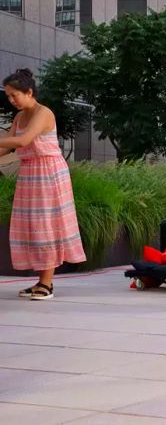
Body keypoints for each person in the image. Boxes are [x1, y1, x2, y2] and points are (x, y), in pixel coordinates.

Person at [0, 69, 86, 300]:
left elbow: (22, 141)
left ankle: (46, 284)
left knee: (46, 224)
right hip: (29, 173)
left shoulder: (43, 113)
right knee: (31, 226)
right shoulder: (19, 117)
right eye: (8, 96)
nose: (11, 100)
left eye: (14, 95)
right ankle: (40, 280)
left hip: (48, 173)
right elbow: (7, 147)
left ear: (29, 92)